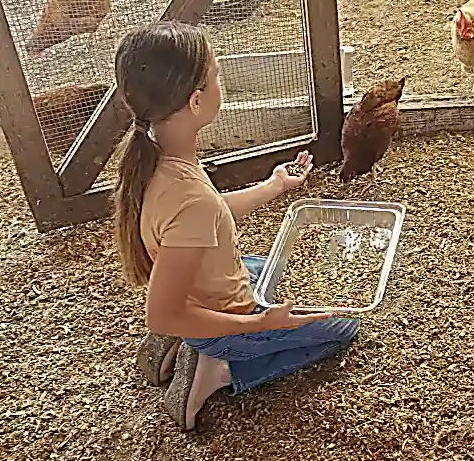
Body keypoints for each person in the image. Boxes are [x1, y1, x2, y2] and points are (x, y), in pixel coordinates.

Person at [113, 21, 360, 429]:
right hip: (229, 316)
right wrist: (258, 323)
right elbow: (160, 312)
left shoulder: (159, 152)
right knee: (345, 322)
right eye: (216, 76)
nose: (219, 82)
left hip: (217, 285)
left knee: (287, 270)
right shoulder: (187, 196)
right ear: (196, 101)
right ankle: (220, 370)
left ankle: (191, 337)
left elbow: (208, 217)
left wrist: (274, 185)